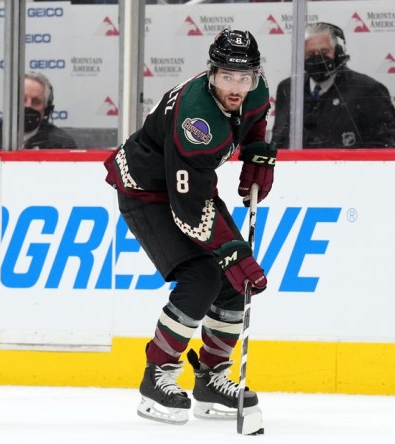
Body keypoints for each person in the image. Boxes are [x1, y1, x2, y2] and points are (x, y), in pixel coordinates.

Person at [103, 28, 275, 429]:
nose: (237, 87)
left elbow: (253, 120)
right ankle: (156, 376)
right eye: (228, 77)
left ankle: (211, 379)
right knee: (202, 275)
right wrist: (229, 250)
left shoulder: (257, 89)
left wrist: (257, 154)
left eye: (244, 77)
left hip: (190, 184)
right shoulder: (195, 121)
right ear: (211, 73)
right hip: (147, 191)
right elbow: (189, 210)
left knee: (233, 281)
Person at [272, 22, 395, 149]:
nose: (318, 59)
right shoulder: (288, 88)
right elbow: (278, 143)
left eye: (324, 52)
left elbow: (388, 147)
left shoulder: (368, 90)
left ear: (338, 53)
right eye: (310, 54)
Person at [0, 72, 77, 149]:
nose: (28, 106)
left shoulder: (61, 142)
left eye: (36, 102)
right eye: (22, 100)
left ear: (46, 109)